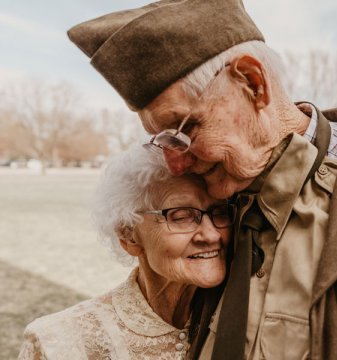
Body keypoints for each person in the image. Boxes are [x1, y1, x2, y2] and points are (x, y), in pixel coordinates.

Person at [68, 1, 337, 359]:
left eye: (186, 128)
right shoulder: (211, 198)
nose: (175, 165)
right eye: (165, 140)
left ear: (253, 83)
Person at [18, 143, 235, 359]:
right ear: (129, 235)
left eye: (219, 212)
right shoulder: (59, 344)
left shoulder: (246, 316)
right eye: (181, 216)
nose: (212, 234)